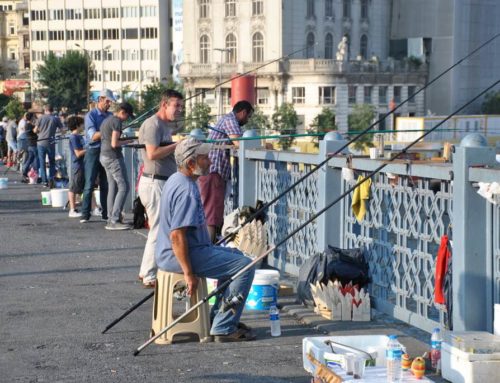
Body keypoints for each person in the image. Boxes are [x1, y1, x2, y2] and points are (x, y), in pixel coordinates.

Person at [156, 137, 256, 342]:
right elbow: (177, 235)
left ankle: (218, 317)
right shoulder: (187, 191)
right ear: (191, 164)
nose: (210, 162)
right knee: (245, 266)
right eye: (204, 158)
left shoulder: (175, 179)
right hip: (182, 255)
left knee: (237, 256)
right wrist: (188, 273)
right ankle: (224, 326)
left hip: (184, 250)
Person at [137, 89, 183, 288]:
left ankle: (146, 270)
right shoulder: (152, 124)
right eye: (176, 106)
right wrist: (177, 146)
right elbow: (153, 153)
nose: (179, 110)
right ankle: (149, 274)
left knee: (161, 228)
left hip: (163, 181)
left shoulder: (164, 126)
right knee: (158, 229)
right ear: (164, 104)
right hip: (154, 182)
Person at [198, 100, 254, 242]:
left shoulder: (226, 120)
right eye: (248, 117)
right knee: (212, 213)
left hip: (212, 171)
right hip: (213, 171)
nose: (247, 121)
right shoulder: (230, 120)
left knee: (212, 211)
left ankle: (209, 244)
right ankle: (208, 248)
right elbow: (240, 143)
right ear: (243, 112)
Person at [80, 89, 115, 223]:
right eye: (107, 101)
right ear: (100, 99)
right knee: (89, 183)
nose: (109, 104)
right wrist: (108, 130)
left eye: (110, 102)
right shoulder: (91, 115)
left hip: (107, 151)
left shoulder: (111, 116)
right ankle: (85, 214)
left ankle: (106, 214)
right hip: (93, 151)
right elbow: (93, 136)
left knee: (106, 184)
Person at [99, 102, 135, 230]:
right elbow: (115, 143)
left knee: (112, 187)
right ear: (122, 112)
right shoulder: (117, 122)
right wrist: (129, 141)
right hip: (113, 157)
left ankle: (110, 218)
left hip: (104, 156)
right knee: (124, 186)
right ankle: (114, 220)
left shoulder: (106, 120)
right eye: (127, 116)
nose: (127, 119)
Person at [35, 104, 62, 187]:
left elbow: (35, 130)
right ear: (52, 110)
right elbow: (63, 130)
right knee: (52, 162)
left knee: (42, 162)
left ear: (45, 110)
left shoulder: (40, 118)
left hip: (41, 142)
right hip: (51, 142)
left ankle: (44, 181)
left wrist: (40, 131)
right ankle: (51, 179)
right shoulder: (56, 119)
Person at [67, 116, 86, 218]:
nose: (84, 126)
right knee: (73, 188)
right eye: (82, 124)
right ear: (78, 125)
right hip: (77, 165)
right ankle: (72, 210)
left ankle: (94, 208)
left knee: (87, 187)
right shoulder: (74, 137)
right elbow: (78, 153)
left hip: (82, 165)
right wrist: (89, 149)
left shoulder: (79, 136)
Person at [21, 113, 38, 183]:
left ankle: (24, 173)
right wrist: (37, 125)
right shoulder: (30, 125)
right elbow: (36, 131)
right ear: (31, 118)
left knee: (30, 159)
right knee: (36, 159)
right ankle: (35, 174)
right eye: (34, 117)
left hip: (30, 144)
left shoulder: (27, 125)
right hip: (33, 144)